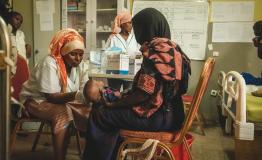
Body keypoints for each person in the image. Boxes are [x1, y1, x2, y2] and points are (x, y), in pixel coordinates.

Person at [83, 8, 191, 160]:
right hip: (176, 114)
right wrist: (122, 98)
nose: (136, 33)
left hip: (158, 117)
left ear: (146, 29)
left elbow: (142, 94)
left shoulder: (154, 52)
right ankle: (114, 154)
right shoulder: (174, 49)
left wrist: (115, 104)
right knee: (115, 110)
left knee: (100, 113)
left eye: (137, 28)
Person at [20, 28, 90, 160]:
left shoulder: (82, 66)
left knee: (92, 112)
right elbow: (51, 97)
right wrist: (79, 95)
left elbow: (84, 90)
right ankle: (60, 156)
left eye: (81, 54)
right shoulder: (50, 63)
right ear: (63, 52)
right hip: (35, 101)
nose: (78, 59)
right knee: (63, 114)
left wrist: (88, 95)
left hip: (62, 102)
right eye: (73, 54)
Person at [105, 10, 141, 91]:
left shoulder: (135, 38)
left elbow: (139, 54)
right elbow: (105, 54)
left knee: (128, 98)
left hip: (130, 75)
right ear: (122, 24)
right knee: (113, 96)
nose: (131, 25)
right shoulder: (113, 38)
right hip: (114, 75)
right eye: (129, 23)